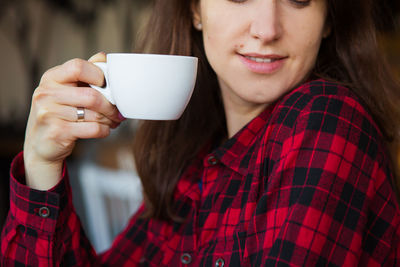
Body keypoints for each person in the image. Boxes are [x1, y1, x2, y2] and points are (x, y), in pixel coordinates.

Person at [2, 0, 400, 265]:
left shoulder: (327, 120)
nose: (266, 29)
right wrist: (41, 167)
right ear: (195, 9)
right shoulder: (197, 164)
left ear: (329, 18)